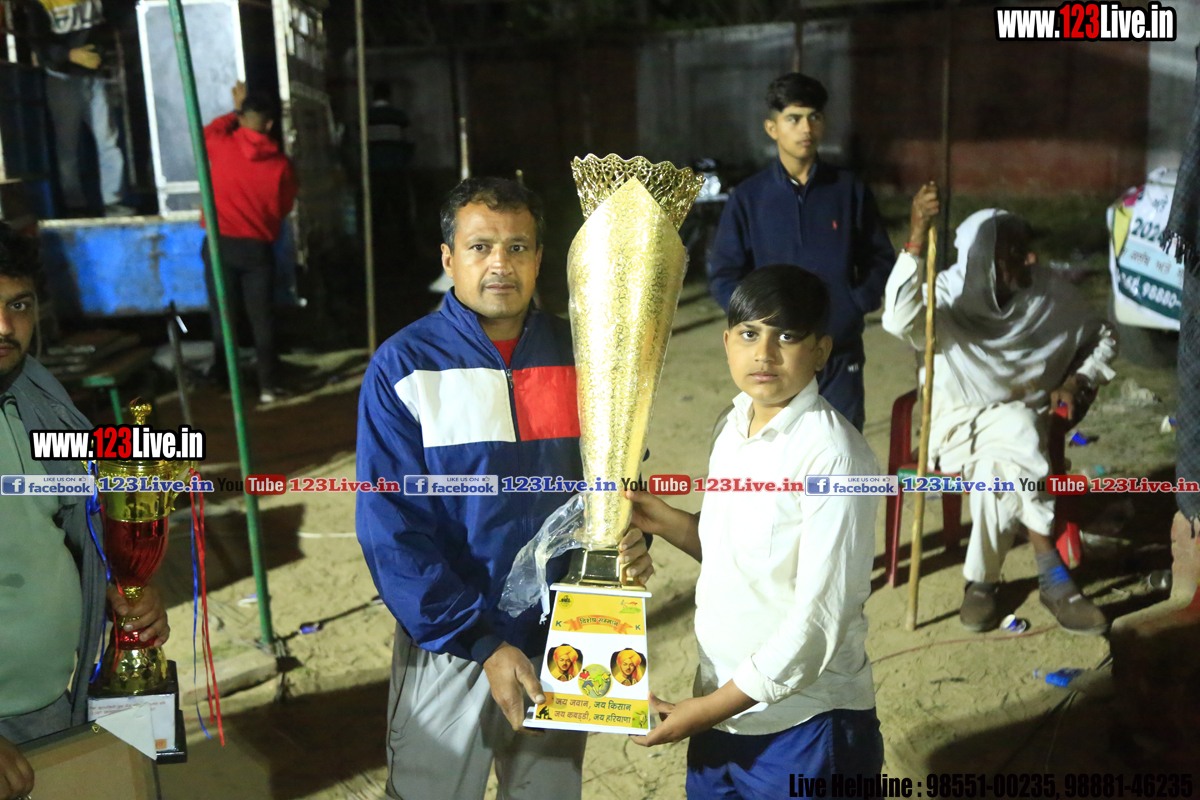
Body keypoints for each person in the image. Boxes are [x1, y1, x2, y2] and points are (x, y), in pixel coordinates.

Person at [355, 177, 653, 800]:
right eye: (480, 247)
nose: (500, 264)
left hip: (563, 638)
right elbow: (392, 529)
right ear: (448, 258)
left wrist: (629, 539)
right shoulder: (405, 367)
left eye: (517, 247)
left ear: (540, 257)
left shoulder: (585, 356)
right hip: (453, 644)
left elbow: (618, 482)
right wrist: (481, 641)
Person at [624, 265, 884, 794]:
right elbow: (744, 556)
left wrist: (704, 711)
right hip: (722, 710)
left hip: (804, 726)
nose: (763, 354)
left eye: (786, 336)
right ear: (726, 343)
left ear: (821, 350)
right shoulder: (732, 425)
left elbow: (818, 622)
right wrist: (664, 520)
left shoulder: (834, 457)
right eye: (749, 334)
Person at [882, 185, 1118, 634]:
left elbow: (1103, 335)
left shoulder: (1048, 295)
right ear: (982, 261)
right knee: (1018, 430)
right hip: (955, 429)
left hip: (1020, 432)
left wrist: (1077, 380)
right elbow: (896, 319)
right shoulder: (945, 292)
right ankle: (1051, 572)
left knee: (1003, 456)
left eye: (1027, 248)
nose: (1031, 259)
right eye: (1015, 252)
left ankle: (982, 583)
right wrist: (914, 240)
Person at [0, 222, 169, 800]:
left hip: (52, 704)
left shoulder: (36, 399)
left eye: (18, 305)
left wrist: (122, 593)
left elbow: (68, 530)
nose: (5, 327)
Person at [706, 73, 895, 431]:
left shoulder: (848, 190)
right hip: (775, 360)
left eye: (814, 117)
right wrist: (758, 324)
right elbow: (724, 275)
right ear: (772, 127)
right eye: (793, 118)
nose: (806, 128)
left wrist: (854, 303)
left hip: (837, 352)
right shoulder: (749, 197)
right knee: (776, 450)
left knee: (840, 447)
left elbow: (881, 258)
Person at [202, 81, 297, 405]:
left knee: (223, 316)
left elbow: (207, 131)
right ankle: (268, 386)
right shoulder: (281, 165)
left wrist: (235, 109)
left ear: (242, 119)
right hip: (257, 249)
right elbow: (284, 207)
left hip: (220, 245)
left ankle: (227, 383)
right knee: (261, 319)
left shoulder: (220, 145)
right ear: (269, 125)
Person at [22, 0, 131, 216]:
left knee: (108, 141)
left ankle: (113, 200)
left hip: (96, 76)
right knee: (68, 144)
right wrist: (69, 54)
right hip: (62, 78)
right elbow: (37, 43)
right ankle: (75, 205)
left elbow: (116, 18)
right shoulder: (40, 3)